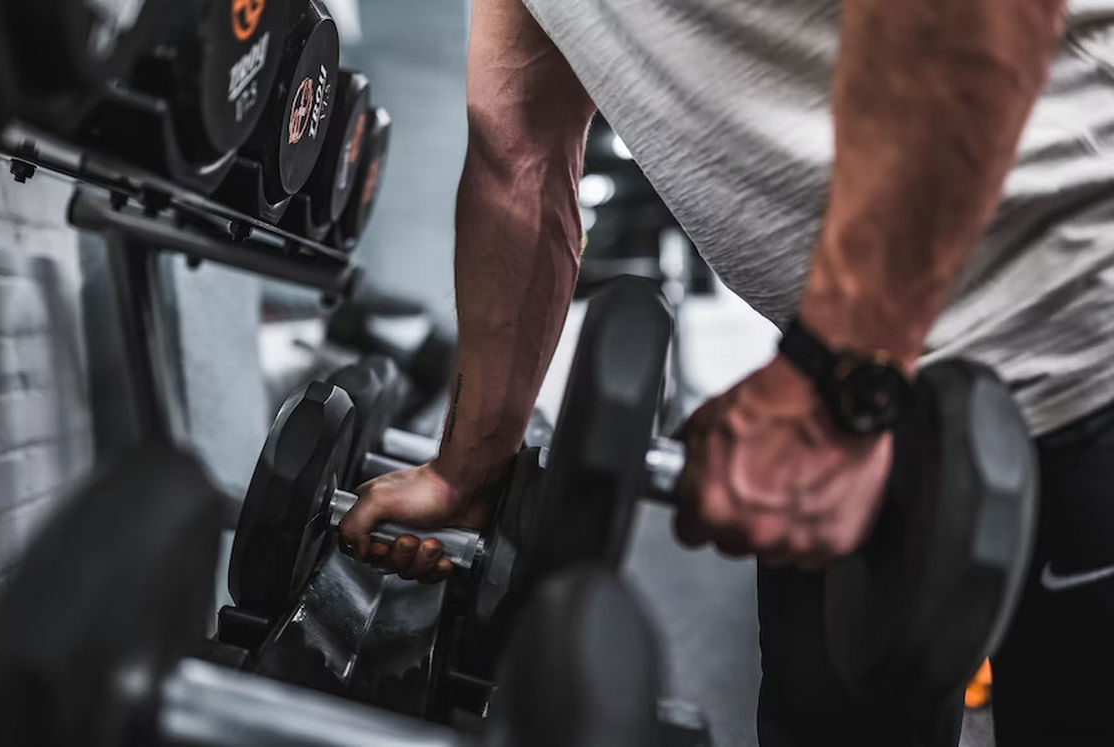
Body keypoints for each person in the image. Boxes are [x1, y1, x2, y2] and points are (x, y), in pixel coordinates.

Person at [340, 1, 1114, 744]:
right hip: (864, 378)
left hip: (1078, 341)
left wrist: (834, 382)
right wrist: (471, 465)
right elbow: (519, 162)